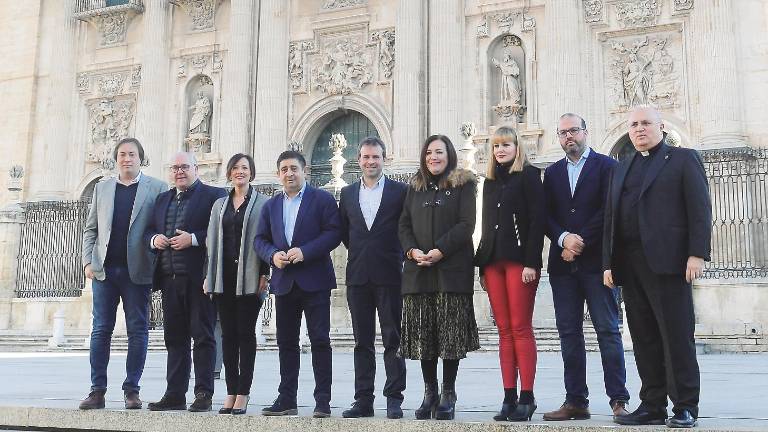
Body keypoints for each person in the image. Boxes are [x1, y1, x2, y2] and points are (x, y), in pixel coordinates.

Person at [603, 106, 711, 428]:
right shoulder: (622, 167)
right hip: (630, 266)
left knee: (676, 337)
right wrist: (607, 262)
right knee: (644, 338)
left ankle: (685, 406)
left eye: (646, 123)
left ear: (661, 127)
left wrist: (697, 254)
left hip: (670, 264)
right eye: (633, 124)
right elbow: (612, 217)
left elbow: (699, 209)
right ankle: (652, 404)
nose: (639, 129)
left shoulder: (682, 160)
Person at [541, 114, 630, 422]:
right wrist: (564, 239)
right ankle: (575, 400)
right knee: (569, 334)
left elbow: (610, 210)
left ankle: (618, 399)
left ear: (585, 132)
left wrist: (580, 241)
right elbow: (546, 215)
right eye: (563, 132)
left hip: (597, 265)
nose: (569, 137)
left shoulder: (608, 167)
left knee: (607, 330)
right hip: (562, 266)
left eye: (574, 131)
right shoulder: (551, 173)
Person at [79, 138, 166, 410]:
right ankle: (97, 390)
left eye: (132, 154)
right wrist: (86, 262)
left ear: (141, 158)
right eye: (122, 154)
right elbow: (91, 228)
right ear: (116, 159)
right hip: (104, 270)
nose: (126, 158)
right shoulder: (102, 188)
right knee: (100, 331)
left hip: (137, 270)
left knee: (138, 330)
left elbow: (159, 227)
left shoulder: (156, 188)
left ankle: (132, 390)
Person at [398, 134, 480, 421]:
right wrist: (411, 250)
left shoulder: (463, 184)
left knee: (449, 336)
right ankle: (429, 392)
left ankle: (448, 393)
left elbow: (466, 224)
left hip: (450, 272)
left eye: (439, 152)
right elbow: (404, 223)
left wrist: (440, 250)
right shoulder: (415, 187)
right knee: (425, 336)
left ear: (450, 155)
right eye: (429, 152)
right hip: (418, 272)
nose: (434, 157)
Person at [254, 150, 341, 418]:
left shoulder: (323, 200)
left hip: (315, 280)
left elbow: (334, 233)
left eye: (294, 168)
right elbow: (260, 240)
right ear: (279, 174)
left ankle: (322, 400)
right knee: (287, 342)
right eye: (284, 169)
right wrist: (272, 255)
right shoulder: (270, 205)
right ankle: (287, 398)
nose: (289, 173)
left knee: (319, 341)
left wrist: (306, 251)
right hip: (284, 282)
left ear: (305, 171)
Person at [145, 152, 227, 412]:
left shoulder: (214, 196)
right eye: (175, 168)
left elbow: (222, 230)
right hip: (169, 280)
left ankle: (204, 393)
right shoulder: (162, 199)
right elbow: (149, 229)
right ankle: (175, 394)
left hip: (199, 279)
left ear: (196, 169)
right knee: (174, 338)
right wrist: (154, 239)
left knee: (203, 336)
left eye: (185, 167)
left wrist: (192, 239)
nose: (179, 172)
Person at [474, 126, 543, 422]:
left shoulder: (529, 175)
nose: (500, 150)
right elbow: (487, 224)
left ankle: (527, 396)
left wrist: (531, 262)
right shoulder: (489, 181)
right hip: (492, 262)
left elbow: (537, 220)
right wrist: (481, 266)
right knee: (502, 330)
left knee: (520, 327)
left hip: (519, 262)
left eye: (506, 144)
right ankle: (508, 396)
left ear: (517, 147)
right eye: (496, 146)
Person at [337, 137, 408, 420]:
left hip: (390, 273)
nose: (370, 162)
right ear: (359, 161)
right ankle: (363, 399)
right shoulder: (348, 193)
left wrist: (396, 255)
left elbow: (406, 229)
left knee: (393, 338)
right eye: (365, 157)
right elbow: (346, 233)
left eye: (375, 157)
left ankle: (394, 398)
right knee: (361, 342)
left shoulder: (399, 192)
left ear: (384, 159)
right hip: (358, 276)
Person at [204, 153, 270, 415]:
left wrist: (266, 273)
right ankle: (230, 392)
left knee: (245, 335)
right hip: (224, 278)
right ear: (229, 173)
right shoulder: (219, 205)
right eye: (235, 168)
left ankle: (244, 392)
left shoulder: (263, 203)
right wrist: (209, 275)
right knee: (228, 336)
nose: (239, 172)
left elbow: (267, 238)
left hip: (251, 278)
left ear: (251, 173)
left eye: (244, 168)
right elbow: (210, 243)